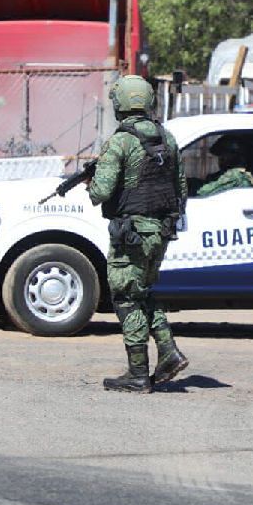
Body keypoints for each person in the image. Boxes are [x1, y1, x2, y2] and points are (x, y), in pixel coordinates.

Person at [87, 75, 189, 393]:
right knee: (142, 291)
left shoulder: (121, 141)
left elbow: (100, 192)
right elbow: (181, 189)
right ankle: (168, 350)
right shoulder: (167, 138)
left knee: (126, 299)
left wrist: (90, 182)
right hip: (160, 231)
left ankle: (138, 374)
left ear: (120, 104)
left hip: (131, 234)